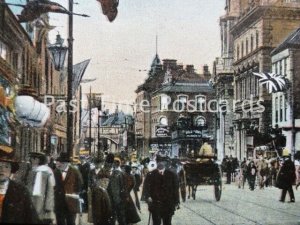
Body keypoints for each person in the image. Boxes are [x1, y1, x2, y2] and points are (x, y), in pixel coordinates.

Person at [0, 145, 40, 224]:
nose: (2, 170)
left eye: (6, 167)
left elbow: (31, 218)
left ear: (11, 170)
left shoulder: (21, 191)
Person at [141, 156, 180, 225]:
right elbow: (146, 188)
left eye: (162, 161)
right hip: (155, 204)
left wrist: (177, 201)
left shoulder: (171, 175)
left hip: (168, 204)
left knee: (167, 222)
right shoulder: (151, 174)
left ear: (165, 163)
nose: (160, 163)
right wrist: (148, 197)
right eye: (158, 161)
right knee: (156, 222)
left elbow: (175, 189)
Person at [25, 152, 55, 224]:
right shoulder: (31, 171)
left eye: (32, 158)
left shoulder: (45, 172)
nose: (30, 160)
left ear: (37, 160)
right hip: (31, 201)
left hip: (41, 203)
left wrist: (48, 207)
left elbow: (50, 191)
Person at [55, 152, 83, 225]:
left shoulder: (75, 171)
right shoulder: (56, 171)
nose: (61, 164)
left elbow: (80, 184)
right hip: (59, 202)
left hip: (71, 201)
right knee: (60, 221)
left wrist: (74, 193)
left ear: (67, 163)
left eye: (63, 163)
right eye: (61, 162)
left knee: (71, 221)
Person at [88, 154, 113, 225]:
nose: (97, 165)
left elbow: (108, 182)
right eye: (96, 163)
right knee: (95, 212)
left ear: (101, 163)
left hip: (103, 195)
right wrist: (93, 187)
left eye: (99, 163)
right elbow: (89, 182)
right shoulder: (91, 171)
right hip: (94, 194)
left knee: (103, 211)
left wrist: (102, 187)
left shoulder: (105, 171)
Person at [107, 157, 127, 225]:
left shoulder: (121, 173)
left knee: (120, 216)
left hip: (119, 198)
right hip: (111, 197)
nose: (115, 164)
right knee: (112, 215)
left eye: (117, 163)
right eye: (114, 163)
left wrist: (122, 196)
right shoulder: (111, 172)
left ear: (119, 164)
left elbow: (124, 186)